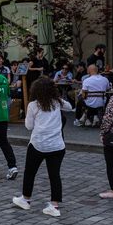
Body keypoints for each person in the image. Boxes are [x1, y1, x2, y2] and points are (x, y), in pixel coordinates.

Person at [12, 78, 72, 217]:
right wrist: (58, 98)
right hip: (57, 145)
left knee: (30, 172)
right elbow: (69, 107)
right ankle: (54, 205)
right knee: (54, 175)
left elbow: (29, 126)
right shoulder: (57, 102)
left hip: (38, 144)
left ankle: (26, 199)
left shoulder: (33, 105)